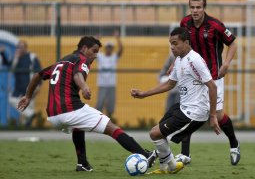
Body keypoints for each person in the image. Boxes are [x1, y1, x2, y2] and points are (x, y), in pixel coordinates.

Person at [17, 36, 157, 172]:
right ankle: (146, 155)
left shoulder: (61, 62)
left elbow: (37, 75)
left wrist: (28, 96)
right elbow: (77, 74)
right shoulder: (81, 59)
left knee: (78, 126)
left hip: (54, 115)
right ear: (84, 48)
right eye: (94, 51)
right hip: (69, 109)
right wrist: (84, 87)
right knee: (112, 128)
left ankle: (82, 164)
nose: (96, 55)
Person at [131, 27, 220, 174]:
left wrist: (212, 115)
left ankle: (167, 163)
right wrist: (144, 94)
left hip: (194, 112)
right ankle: (168, 166)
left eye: (175, 43)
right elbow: (169, 84)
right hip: (183, 106)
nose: (172, 47)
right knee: (157, 132)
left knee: (155, 134)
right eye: (170, 44)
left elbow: (212, 87)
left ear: (186, 42)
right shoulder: (179, 60)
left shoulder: (194, 60)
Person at [166, 0, 240, 166]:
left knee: (218, 115)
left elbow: (233, 43)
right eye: (192, 7)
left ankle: (234, 144)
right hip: (192, 76)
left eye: (198, 7)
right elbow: (180, 45)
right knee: (189, 112)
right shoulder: (184, 23)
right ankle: (185, 154)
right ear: (189, 8)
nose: (195, 11)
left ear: (204, 8)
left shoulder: (215, 25)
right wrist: (174, 64)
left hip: (212, 76)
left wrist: (227, 63)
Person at [10, 40, 41, 127]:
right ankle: (31, 114)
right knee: (12, 100)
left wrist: (38, 86)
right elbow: (11, 68)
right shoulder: (16, 58)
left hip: (29, 88)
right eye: (19, 47)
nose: (20, 49)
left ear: (25, 48)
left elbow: (39, 73)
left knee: (28, 112)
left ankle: (27, 130)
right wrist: (16, 58)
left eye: (22, 47)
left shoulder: (32, 57)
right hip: (18, 88)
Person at [96, 31, 123, 122]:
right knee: (99, 104)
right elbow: (94, 50)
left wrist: (118, 38)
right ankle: (97, 122)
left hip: (111, 85)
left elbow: (121, 50)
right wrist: (97, 40)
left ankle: (108, 122)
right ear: (105, 48)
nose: (109, 49)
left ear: (112, 49)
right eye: (107, 47)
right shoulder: (100, 56)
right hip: (102, 85)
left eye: (110, 48)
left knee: (111, 106)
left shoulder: (114, 57)